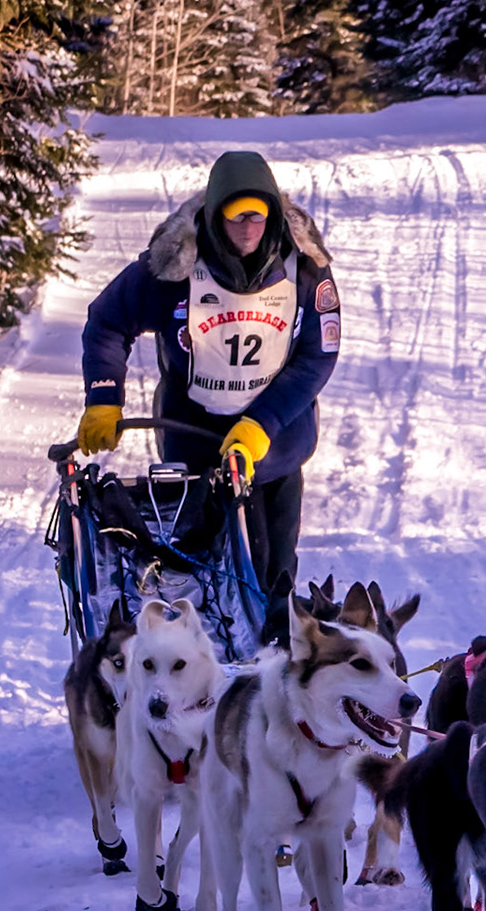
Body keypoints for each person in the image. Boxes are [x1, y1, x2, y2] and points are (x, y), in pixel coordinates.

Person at [76, 151, 340, 592]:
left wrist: (263, 423)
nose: (249, 229)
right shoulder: (172, 265)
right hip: (193, 438)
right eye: (237, 218)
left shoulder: (306, 268)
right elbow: (108, 321)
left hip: (276, 442)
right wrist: (104, 397)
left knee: (274, 575)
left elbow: (318, 353)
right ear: (216, 214)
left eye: (258, 217)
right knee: (205, 572)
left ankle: (277, 648)